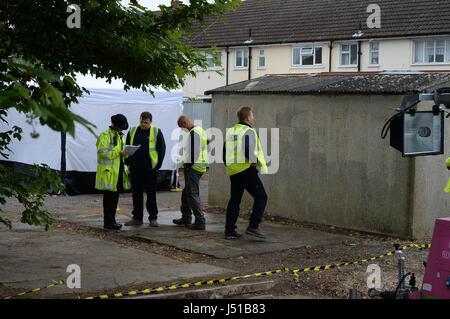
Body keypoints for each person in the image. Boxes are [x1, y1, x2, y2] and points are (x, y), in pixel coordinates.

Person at [223, 106, 268, 239]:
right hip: (245, 169)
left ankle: (229, 230)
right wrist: (253, 162)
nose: (253, 118)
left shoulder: (232, 131)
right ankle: (253, 226)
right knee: (261, 196)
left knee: (235, 200)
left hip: (233, 170)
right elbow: (248, 148)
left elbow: (224, 152)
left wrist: (230, 166)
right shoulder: (248, 131)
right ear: (248, 118)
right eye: (252, 116)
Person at [124, 112, 166, 227]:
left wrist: (158, 166)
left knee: (151, 194)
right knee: (136, 194)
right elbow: (126, 147)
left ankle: (153, 218)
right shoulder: (132, 131)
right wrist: (127, 163)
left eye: (146, 123)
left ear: (150, 122)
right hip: (135, 168)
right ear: (140, 119)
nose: (143, 124)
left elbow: (161, 149)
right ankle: (137, 218)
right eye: (142, 122)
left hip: (150, 169)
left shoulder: (156, 132)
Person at [95, 114, 131, 230]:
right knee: (109, 199)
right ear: (114, 125)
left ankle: (112, 221)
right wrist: (118, 152)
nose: (121, 129)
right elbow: (102, 153)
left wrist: (126, 154)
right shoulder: (105, 135)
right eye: (120, 127)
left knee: (114, 199)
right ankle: (108, 223)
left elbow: (120, 154)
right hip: (109, 173)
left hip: (118, 172)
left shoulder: (120, 136)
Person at [172, 115, 208, 230]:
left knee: (192, 194)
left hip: (194, 168)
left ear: (184, 122)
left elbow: (194, 153)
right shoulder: (199, 130)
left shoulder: (194, 133)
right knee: (186, 194)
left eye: (182, 127)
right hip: (198, 166)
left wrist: (187, 166)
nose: (183, 129)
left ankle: (200, 221)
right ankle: (186, 217)